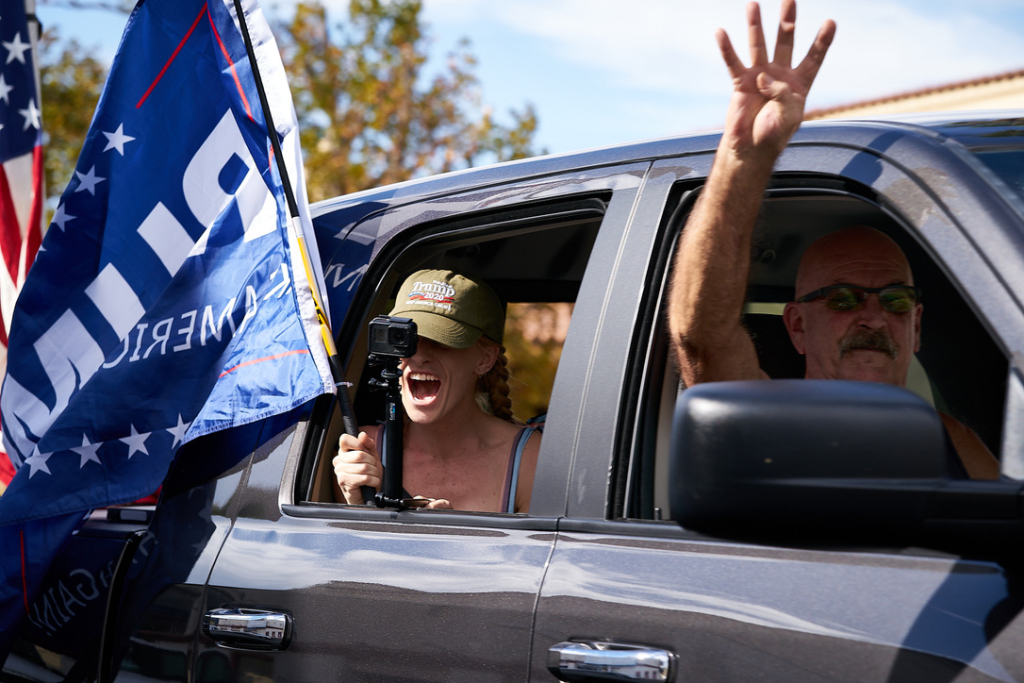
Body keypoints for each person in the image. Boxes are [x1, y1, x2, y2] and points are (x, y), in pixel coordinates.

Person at [667, 0, 999, 479]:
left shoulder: (951, 444)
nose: (874, 317)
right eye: (843, 299)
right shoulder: (766, 422)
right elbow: (702, 338)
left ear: (918, 325)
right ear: (797, 326)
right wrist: (743, 160)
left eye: (897, 301)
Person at [333, 269, 542, 512]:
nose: (419, 356)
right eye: (406, 339)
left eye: (441, 342)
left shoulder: (530, 458)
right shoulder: (362, 451)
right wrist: (358, 506)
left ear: (484, 360)